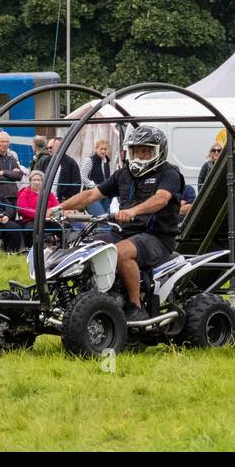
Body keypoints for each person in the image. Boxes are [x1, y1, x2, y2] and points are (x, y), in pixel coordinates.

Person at [53, 125, 183, 322]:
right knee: (87, 247)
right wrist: (59, 208)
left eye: (145, 151)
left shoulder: (169, 173)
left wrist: (133, 211)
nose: (139, 156)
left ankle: (135, 306)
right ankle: (88, 298)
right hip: (124, 233)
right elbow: (91, 194)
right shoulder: (123, 174)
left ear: (158, 151)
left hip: (157, 237)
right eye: (135, 151)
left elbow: (161, 199)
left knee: (120, 253)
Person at [16, 170, 58, 236]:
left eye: (39, 180)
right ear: (30, 181)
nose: (36, 182)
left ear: (42, 182)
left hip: (48, 220)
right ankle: (32, 246)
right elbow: (23, 209)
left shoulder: (49, 194)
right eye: (34, 180)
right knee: (31, 230)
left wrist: (51, 214)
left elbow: (56, 207)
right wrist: (41, 214)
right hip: (31, 221)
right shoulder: (24, 193)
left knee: (63, 227)